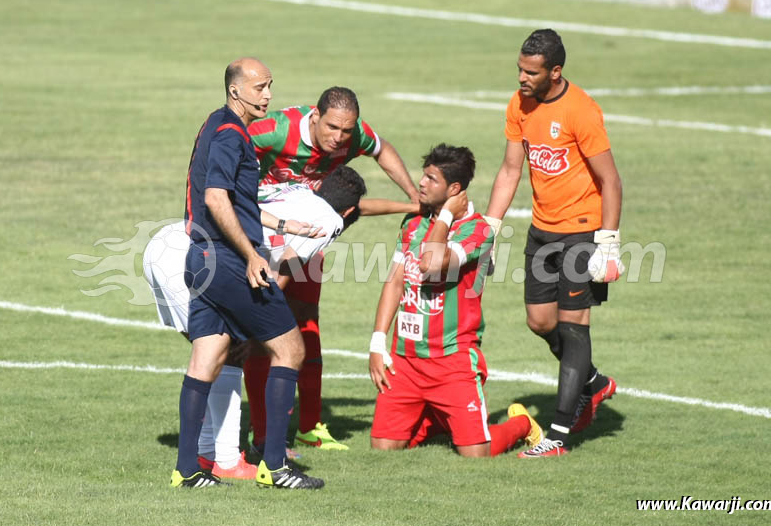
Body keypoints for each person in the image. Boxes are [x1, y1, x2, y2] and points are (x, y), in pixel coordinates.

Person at [145, 167, 366, 480]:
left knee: (217, 355)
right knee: (241, 351)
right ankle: (227, 459)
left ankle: (206, 459)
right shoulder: (330, 220)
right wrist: (255, 325)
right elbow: (283, 270)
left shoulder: (295, 191)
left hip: (169, 241)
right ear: (349, 212)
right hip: (201, 256)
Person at [171, 57, 323, 489]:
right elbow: (217, 199)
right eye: (260, 87)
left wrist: (280, 225)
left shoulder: (214, 125)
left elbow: (232, 200)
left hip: (201, 260)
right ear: (236, 90)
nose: (268, 95)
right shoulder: (231, 134)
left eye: (271, 85)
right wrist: (252, 255)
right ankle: (275, 467)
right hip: (229, 262)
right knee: (291, 350)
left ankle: (185, 471)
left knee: (206, 358)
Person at [243, 86, 420, 453]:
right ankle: (262, 436)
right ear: (314, 117)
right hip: (262, 233)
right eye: (333, 129)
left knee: (307, 320)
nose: (339, 138)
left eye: (346, 131)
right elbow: (226, 148)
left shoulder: (352, 135)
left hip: (310, 232)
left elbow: (382, 150)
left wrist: (413, 199)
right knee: (264, 328)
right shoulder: (276, 130)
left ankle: (310, 426)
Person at [484, 29, 624, 458]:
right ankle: (595, 383)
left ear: (555, 71)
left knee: (572, 324)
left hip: (583, 229)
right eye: (520, 69)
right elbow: (510, 170)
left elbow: (610, 180)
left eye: (531, 72)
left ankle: (558, 435)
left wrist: (609, 243)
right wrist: (489, 228)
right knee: (540, 322)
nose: (522, 78)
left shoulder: (581, 111)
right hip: (543, 230)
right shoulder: (519, 104)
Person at [367, 144, 543, 458]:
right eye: (424, 175)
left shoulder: (478, 231)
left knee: (475, 453)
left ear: (454, 189)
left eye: (431, 179)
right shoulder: (412, 224)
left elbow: (432, 262)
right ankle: (438, 418)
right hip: (405, 361)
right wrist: (378, 343)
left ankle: (522, 426)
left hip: (452, 362)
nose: (421, 183)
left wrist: (446, 214)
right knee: (383, 448)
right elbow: (395, 281)